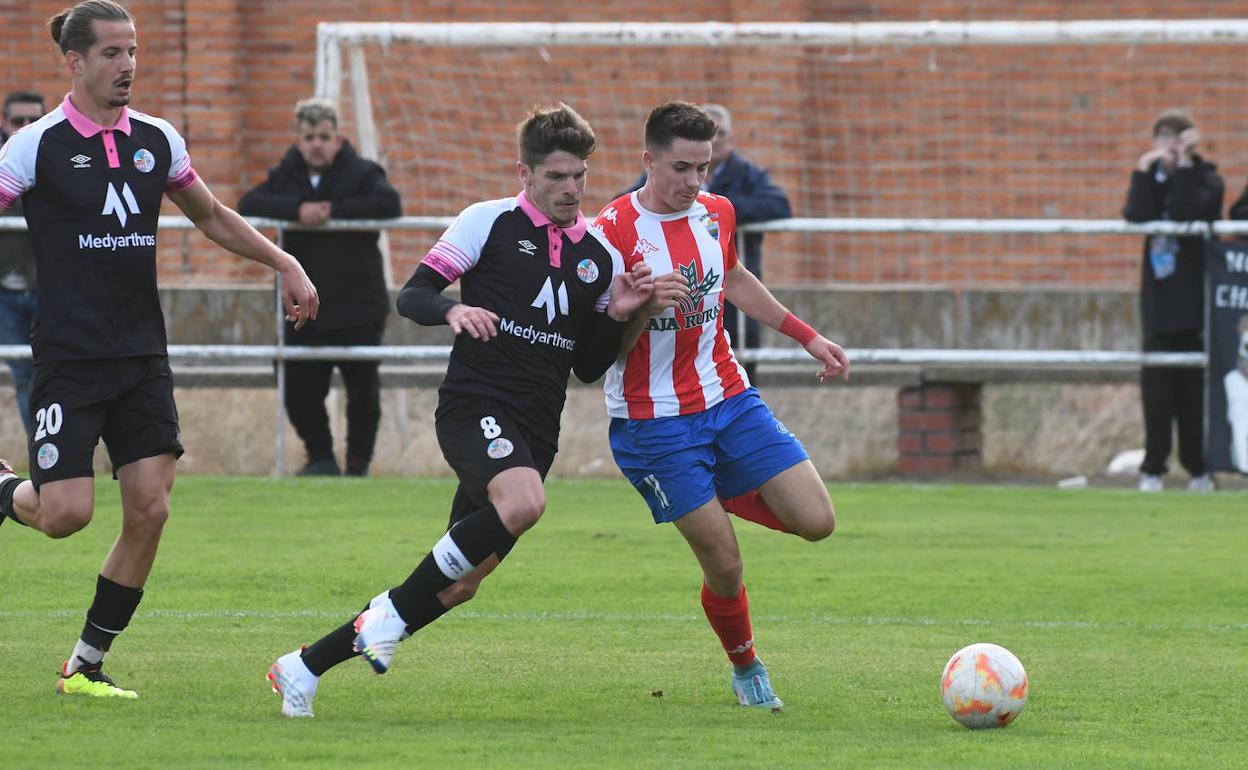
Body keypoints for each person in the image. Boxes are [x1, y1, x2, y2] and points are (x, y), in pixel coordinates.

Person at [266, 102, 659, 718]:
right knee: (524, 503)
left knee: (459, 584)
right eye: (556, 177)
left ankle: (303, 667)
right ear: (525, 174)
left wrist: (619, 313)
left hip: (536, 427)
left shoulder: (601, 256)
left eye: (579, 175)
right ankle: (389, 615)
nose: (571, 189)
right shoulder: (488, 221)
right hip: (476, 404)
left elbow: (587, 367)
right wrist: (452, 310)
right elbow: (413, 294)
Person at [0, 0, 318, 699]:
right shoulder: (36, 146)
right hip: (70, 358)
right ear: (75, 61)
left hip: (142, 355)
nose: (128, 66)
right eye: (112, 54)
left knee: (151, 507)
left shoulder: (157, 139)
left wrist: (284, 263)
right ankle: (4, 492)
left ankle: (85, 663)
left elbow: (210, 215)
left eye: (133, 51)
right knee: (66, 516)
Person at [593, 102, 848, 709]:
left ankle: (714, 490)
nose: (693, 183)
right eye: (681, 167)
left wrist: (806, 335)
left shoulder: (718, 212)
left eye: (703, 168)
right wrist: (639, 309)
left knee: (817, 521)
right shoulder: (608, 234)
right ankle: (747, 667)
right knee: (726, 565)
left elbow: (732, 278)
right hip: (653, 423)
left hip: (730, 399)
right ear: (647, 159)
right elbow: (594, 351)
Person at [239, 98, 401, 477]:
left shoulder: (362, 172)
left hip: (358, 304)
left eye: (324, 137)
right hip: (304, 305)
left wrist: (329, 212)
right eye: (309, 137)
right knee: (296, 383)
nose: (316, 144)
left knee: (362, 389)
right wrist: (298, 211)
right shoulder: (287, 174)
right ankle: (321, 459)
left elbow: (388, 203)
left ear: (337, 139)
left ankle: (358, 466)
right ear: (298, 140)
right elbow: (249, 203)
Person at [620, 103, 790, 380]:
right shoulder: (654, 183)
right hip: (669, 306)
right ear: (652, 162)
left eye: (722, 134)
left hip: (731, 291)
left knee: (740, 368)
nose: (692, 181)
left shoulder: (744, 176)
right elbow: (628, 203)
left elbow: (778, 205)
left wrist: (713, 211)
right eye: (682, 168)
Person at [1122, 109, 1222, 493]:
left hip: (1194, 304)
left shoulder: (1206, 179)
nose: (1168, 145)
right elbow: (1137, 214)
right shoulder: (1152, 179)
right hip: (1158, 305)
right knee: (1157, 393)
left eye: (1176, 137)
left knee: (1193, 394)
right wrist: (1142, 171)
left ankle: (1198, 468)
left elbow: (1183, 213)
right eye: (1161, 136)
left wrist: (1183, 166)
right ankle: (1154, 467)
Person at [0, 91, 45, 436]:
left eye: (34, 120)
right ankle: (41, 453)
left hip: (49, 288)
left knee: (58, 374)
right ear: (4, 122)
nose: (26, 127)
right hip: (5, 292)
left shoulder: (57, 161)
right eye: (18, 121)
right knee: (23, 375)